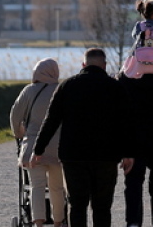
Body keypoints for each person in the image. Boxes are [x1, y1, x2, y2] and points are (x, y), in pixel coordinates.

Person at [33, 48, 134, 227]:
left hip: (73, 156)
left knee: (77, 206)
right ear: (104, 65)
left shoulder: (67, 86)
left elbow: (51, 120)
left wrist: (38, 149)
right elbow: (126, 123)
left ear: (83, 65)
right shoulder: (116, 87)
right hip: (106, 157)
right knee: (102, 207)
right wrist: (128, 153)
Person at [10, 58, 67, 227]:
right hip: (57, 148)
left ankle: (38, 222)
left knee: (37, 187)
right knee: (57, 188)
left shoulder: (28, 91)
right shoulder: (61, 90)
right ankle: (58, 222)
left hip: (33, 147)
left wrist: (19, 134)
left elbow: (15, 115)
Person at [119, 67, 153, 227]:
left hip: (133, 141)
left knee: (133, 184)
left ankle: (133, 222)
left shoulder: (125, 78)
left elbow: (121, 116)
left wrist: (124, 149)